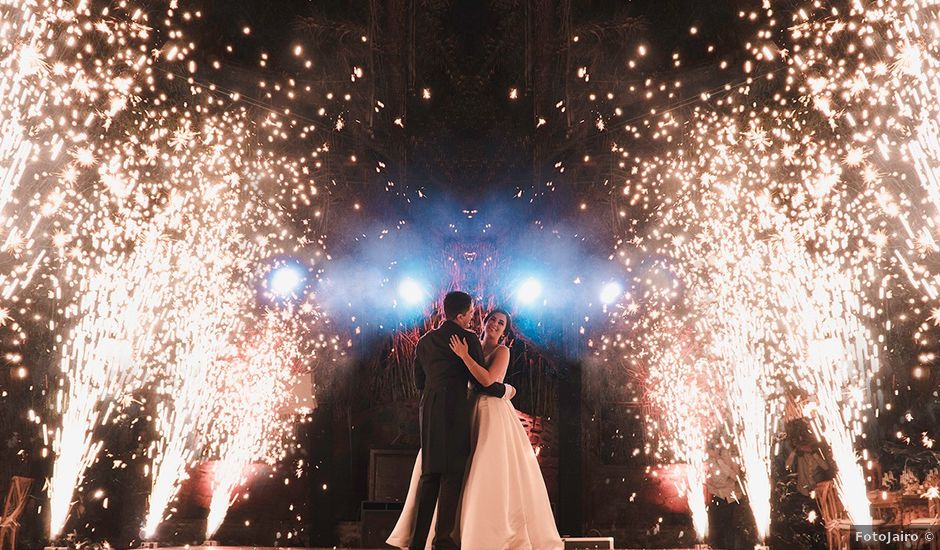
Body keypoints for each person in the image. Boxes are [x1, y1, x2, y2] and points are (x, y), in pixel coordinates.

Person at [388, 304, 563, 550]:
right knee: (458, 471)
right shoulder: (468, 343)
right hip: (464, 409)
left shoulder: (501, 351)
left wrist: (472, 363)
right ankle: (450, 533)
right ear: (483, 321)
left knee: (485, 469)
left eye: (501, 323)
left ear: (505, 332)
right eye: (492, 319)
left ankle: (483, 533)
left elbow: (489, 380)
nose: (495, 324)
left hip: (490, 412)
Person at [387, 291, 515, 550]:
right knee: (451, 477)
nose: (472, 318)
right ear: (461, 314)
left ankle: (417, 542)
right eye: (470, 313)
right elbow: (486, 384)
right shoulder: (467, 339)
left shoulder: (424, 341)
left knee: (429, 477)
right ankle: (443, 542)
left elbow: (419, 383)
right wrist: (507, 390)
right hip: (456, 413)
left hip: (429, 413)